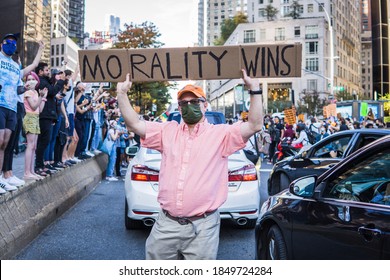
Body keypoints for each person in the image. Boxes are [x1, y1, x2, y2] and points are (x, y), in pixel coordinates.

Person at [117, 70, 263, 260]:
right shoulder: (166, 132)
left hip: (203, 228)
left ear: (205, 106)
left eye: (194, 102)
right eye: (184, 104)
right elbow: (135, 125)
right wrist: (121, 94)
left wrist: (254, 89)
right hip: (166, 225)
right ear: (178, 108)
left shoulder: (221, 135)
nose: (189, 106)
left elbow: (254, 125)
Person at [0, 34, 44, 192]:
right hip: (0, 104)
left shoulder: (15, 67)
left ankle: (2, 178)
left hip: (12, 107)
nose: (11, 45)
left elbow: (18, 87)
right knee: (0, 141)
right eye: (8, 42)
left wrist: (24, 88)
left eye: (14, 43)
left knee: (5, 143)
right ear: (1, 44)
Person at [34, 62, 65, 176]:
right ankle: (38, 166)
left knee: (46, 140)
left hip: (48, 115)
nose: (48, 72)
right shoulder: (41, 82)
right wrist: (61, 81)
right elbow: (52, 91)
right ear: (40, 71)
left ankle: (41, 165)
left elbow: (52, 88)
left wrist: (62, 67)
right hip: (44, 115)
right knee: (43, 141)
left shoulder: (46, 81)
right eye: (47, 70)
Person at [23, 72, 47, 180]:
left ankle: (31, 171)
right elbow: (33, 107)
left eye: (33, 79)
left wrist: (43, 97)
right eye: (29, 79)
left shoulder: (35, 93)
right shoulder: (28, 92)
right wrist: (41, 97)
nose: (31, 81)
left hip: (36, 118)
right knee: (30, 145)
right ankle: (27, 172)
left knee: (34, 146)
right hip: (30, 117)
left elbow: (40, 109)